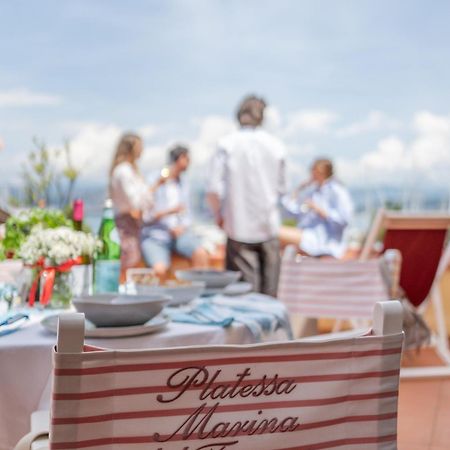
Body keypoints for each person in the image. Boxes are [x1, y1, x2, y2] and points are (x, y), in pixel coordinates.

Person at [207, 95, 286, 296]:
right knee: (270, 298)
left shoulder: (227, 144)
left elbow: (214, 189)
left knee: (244, 300)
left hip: (238, 228)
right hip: (268, 227)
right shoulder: (275, 145)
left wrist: (219, 215)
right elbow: (282, 188)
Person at [141, 144, 209, 279]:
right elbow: (145, 216)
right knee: (159, 270)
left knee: (201, 254)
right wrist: (169, 213)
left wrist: (181, 227)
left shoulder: (184, 183)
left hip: (180, 235)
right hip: (157, 236)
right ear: (179, 159)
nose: (189, 163)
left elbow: (188, 213)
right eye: (187, 159)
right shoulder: (154, 180)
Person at [109, 133, 166, 272]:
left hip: (131, 224)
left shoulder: (127, 170)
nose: (142, 150)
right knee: (129, 263)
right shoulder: (124, 171)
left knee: (131, 262)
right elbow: (135, 202)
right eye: (139, 146)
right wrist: (156, 186)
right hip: (126, 224)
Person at [280, 158, 353, 258]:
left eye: (314, 170)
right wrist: (298, 189)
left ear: (322, 172)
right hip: (306, 235)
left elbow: (343, 220)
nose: (312, 174)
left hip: (321, 240)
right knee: (270, 235)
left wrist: (319, 210)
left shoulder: (337, 191)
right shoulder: (312, 191)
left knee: (275, 233)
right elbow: (288, 213)